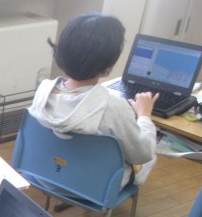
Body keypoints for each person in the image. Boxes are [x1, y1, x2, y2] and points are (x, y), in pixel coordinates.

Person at [29, 14, 159, 188]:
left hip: (44, 175)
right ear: (108, 66)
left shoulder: (43, 91)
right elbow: (142, 154)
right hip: (94, 188)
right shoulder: (114, 107)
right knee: (151, 153)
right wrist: (144, 115)